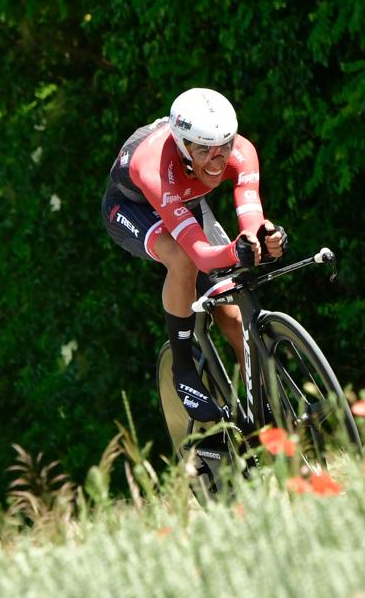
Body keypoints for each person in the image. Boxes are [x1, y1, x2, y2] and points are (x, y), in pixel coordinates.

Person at [101, 87, 286, 423]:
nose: (218, 161)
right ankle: (183, 369)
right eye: (204, 150)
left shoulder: (242, 152)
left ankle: (264, 412)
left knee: (232, 313)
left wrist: (262, 237)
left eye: (224, 147)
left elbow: (249, 212)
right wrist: (236, 250)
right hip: (133, 206)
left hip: (184, 201)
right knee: (182, 260)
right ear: (184, 146)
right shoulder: (154, 166)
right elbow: (200, 254)